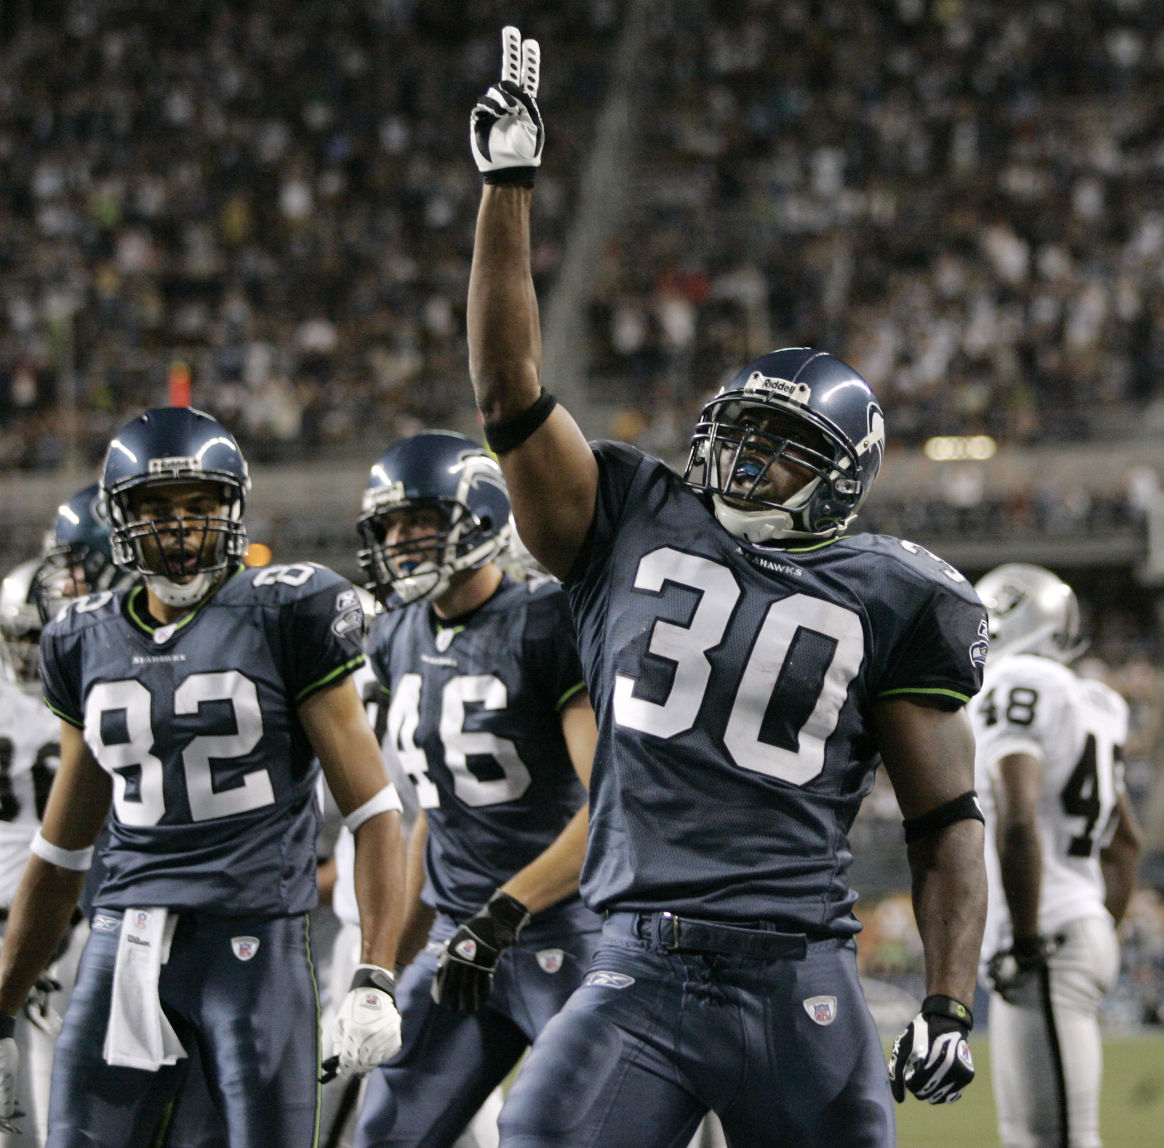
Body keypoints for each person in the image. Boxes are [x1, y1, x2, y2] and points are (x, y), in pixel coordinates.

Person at [459, 27, 989, 1147]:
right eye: (736, 434)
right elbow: (510, 391)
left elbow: (947, 820)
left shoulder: (897, 595)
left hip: (797, 973)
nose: (746, 463)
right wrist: (508, 189)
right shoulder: (629, 516)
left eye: (781, 446)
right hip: (636, 962)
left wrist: (948, 996)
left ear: (843, 478)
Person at [0, 406, 408, 1147]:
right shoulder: (81, 638)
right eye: (157, 510)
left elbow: (376, 814)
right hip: (121, 946)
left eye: (200, 507)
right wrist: (2, 998)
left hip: (254, 947)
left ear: (233, 510)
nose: (181, 529)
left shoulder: (291, 608)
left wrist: (375, 973)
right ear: (122, 519)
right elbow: (60, 855)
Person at [345, 429, 602, 1148]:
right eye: (389, 525)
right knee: (386, 1135)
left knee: (558, 1132)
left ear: (484, 517)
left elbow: (609, 805)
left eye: (419, 520)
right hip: (462, 943)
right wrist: (383, 969)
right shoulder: (395, 634)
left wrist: (503, 913)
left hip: (566, 935)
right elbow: (438, 811)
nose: (401, 540)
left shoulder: (545, 621)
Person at [970, 563, 1143, 1148]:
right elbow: (1127, 843)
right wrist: (1099, 931)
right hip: (1079, 924)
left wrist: (1025, 938)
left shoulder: (1016, 680)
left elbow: (1018, 816)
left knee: (1055, 1138)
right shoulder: (1093, 700)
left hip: (1044, 934)